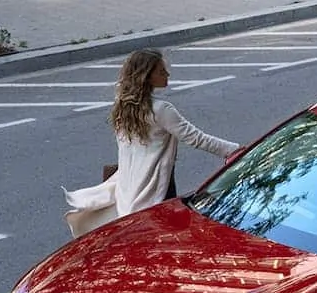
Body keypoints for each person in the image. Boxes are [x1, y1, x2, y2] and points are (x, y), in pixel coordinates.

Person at [63, 48, 240, 237]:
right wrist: (236, 151)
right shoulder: (162, 110)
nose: (167, 74)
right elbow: (196, 138)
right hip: (154, 186)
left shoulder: (122, 107)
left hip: (128, 187)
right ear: (146, 76)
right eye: (161, 71)